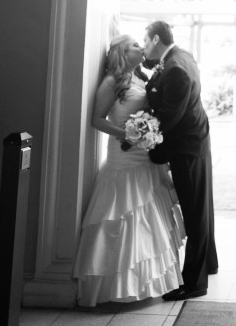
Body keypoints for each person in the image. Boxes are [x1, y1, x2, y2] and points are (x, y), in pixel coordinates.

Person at [73, 34, 185, 307]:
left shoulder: (142, 79)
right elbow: (97, 120)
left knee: (147, 214)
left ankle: (146, 282)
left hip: (144, 156)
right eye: (135, 44)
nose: (141, 47)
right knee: (124, 214)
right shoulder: (112, 82)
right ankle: (115, 283)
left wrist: (148, 133)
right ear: (122, 52)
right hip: (124, 158)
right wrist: (127, 133)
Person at [143, 20, 218, 300]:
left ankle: (195, 283)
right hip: (196, 140)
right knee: (202, 207)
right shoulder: (180, 56)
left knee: (195, 212)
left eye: (145, 40)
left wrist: (152, 144)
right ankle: (209, 263)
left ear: (156, 39)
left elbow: (170, 115)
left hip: (185, 146)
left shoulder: (175, 68)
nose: (143, 45)